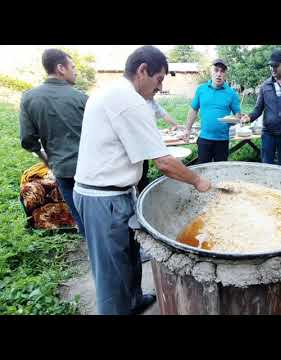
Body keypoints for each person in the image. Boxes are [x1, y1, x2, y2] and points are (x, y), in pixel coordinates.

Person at [73, 46, 211, 315]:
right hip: (103, 199)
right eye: (159, 79)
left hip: (114, 192)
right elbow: (164, 162)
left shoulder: (111, 92)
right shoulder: (128, 100)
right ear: (142, 71)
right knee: (111, 273)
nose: (159, 87)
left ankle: (134, 301)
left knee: (129, 259)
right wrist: (198, 181)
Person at [19, 48, 88, 237]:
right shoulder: (82, 98)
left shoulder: (29, 98)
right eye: (72, 67)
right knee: (100, 215)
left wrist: (47, 160)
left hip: (63, 170)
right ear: (60, 68)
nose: (75, 71)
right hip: (92, 169)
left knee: (80, 216)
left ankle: (93, 253)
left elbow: (27, 140)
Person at [241, 50, 281, 167]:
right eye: (271, 66)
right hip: (268, 134)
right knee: (266, 167)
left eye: (276, 66)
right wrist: (249, 117)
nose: (272, 69)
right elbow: (258, 109)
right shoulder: (265, 85)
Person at [182, 59, 241, 164]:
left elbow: (238, 114)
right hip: (204, 138)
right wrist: (187, 129)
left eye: (222, 71)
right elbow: (193, 110)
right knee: (204, 169)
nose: (219, 74)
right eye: (216, 70)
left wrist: (233, 120)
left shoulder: (231, 93)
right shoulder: (201, 89)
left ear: (225, 74)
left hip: (222, 140)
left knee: (221, 170)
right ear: (211, 72)